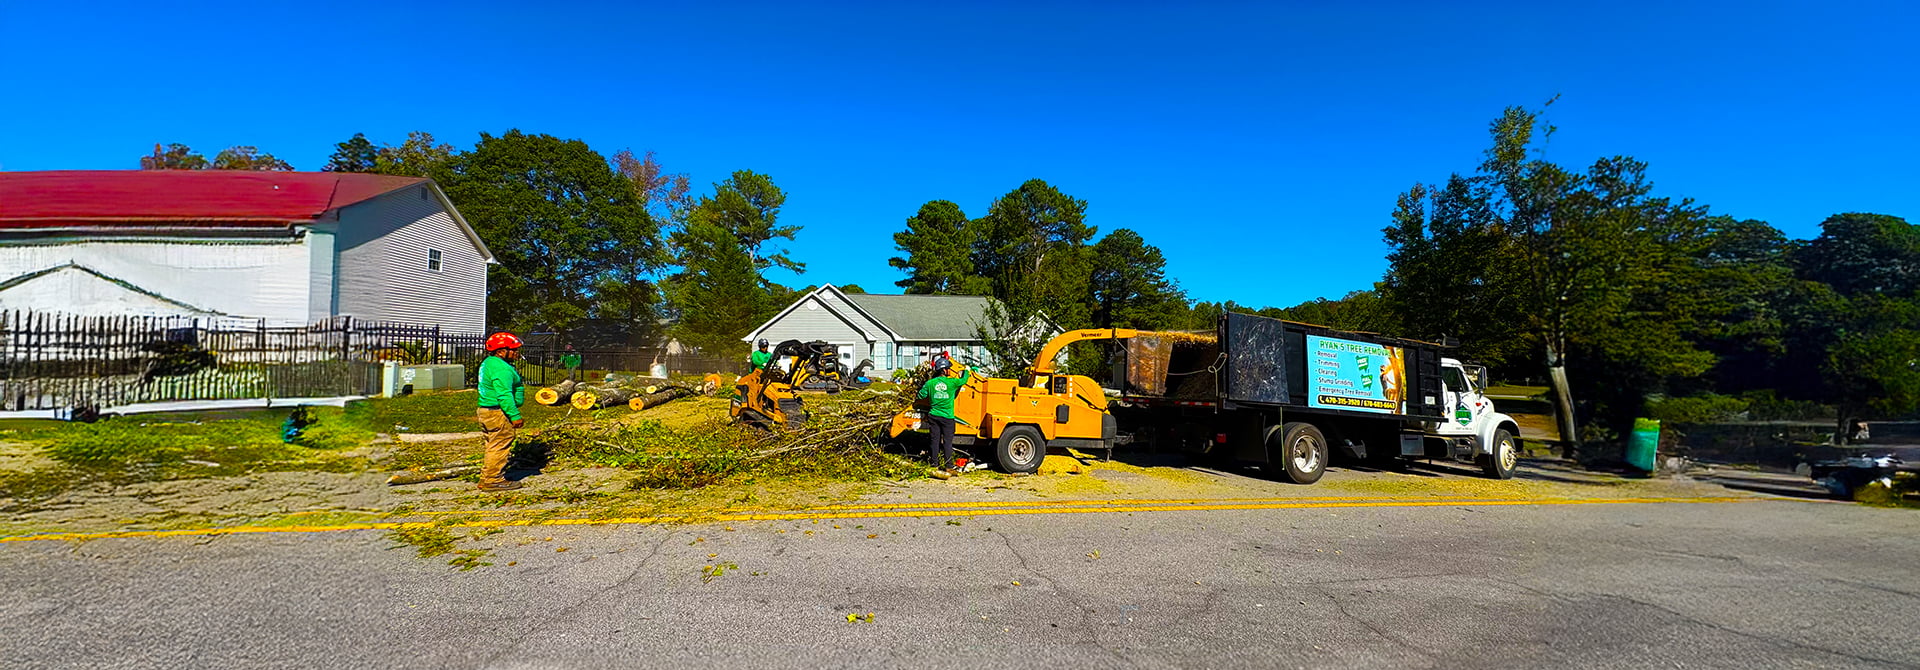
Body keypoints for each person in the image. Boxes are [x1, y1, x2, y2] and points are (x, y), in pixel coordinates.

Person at [476, 332, 527, 492]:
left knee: (492, 445)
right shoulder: (501, 369)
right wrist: (515, 415)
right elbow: (504, 394)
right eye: (514, 349)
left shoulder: (490, 363)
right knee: (500, 444)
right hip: (497, 412)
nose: (517, 353)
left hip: (486, 410)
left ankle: (486, 477)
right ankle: (493, 480)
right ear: (501, 351)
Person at [919, 356, 965, 476]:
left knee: (934, 441)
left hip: (934, 416)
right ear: (944, 370)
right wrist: (967, 371)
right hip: (947, 418)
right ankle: (949, 467)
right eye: (948, 368)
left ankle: (934, 465)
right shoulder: (952, 382)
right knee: (947, 443)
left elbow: (920, 395)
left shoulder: (930, 383)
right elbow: (963, 380)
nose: (949, 371)